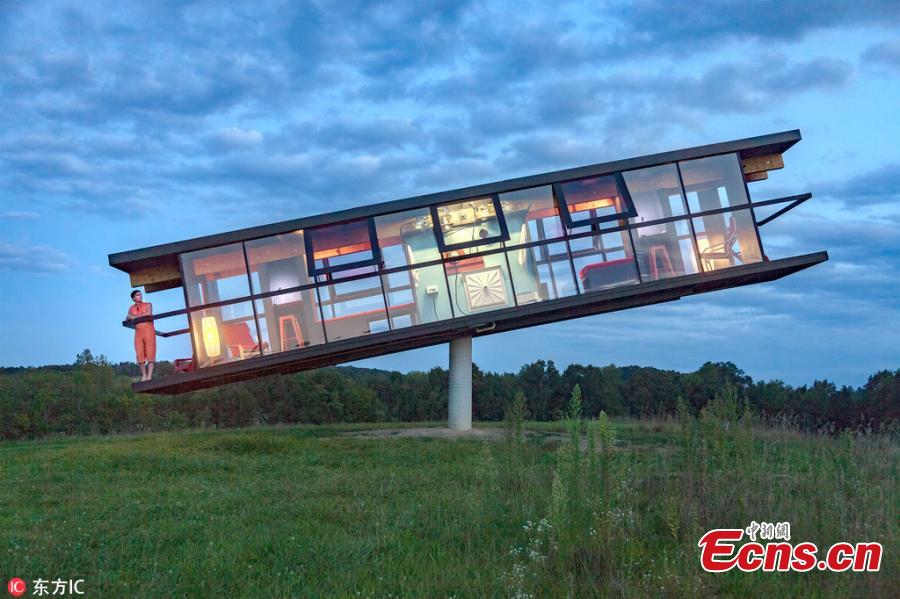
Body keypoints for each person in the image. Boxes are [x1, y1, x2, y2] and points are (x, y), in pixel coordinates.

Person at [126, 290, 156, 381]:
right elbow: (127, 317)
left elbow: (148, 313)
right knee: (139, 353)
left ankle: (149, 376)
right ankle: (144, 375)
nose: (140, 296)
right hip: (138, 332)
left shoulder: (148, 304)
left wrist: (134, 316)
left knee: (150, 351)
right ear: (133, 298)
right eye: (138, 295)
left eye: (140, 294)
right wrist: (138, 316)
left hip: (149, 330)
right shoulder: (131, 308)